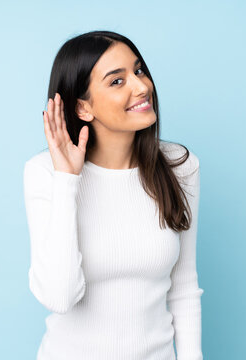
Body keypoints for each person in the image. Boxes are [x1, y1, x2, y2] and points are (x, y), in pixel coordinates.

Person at [23, 30, 204, 360]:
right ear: (83, 107)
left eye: (138, 70)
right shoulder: (44, 173)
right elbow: (60, 296)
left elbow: (184, 287)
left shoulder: (180, 166)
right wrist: (67, 180)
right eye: (117, 81)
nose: (141, 86)